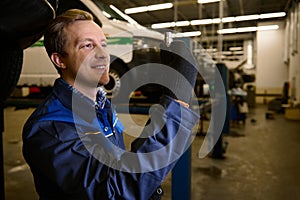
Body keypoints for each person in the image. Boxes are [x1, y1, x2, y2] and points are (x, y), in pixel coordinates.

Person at [22, 9, 199, 200]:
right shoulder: (50, 129)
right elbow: (113, 191)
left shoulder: (101, 107)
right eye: (88, 45)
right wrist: (176, 99)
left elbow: (120, 166)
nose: (103, 55)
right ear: (59, 60)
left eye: (104, 44)